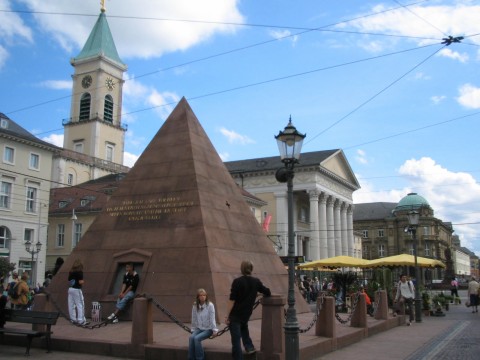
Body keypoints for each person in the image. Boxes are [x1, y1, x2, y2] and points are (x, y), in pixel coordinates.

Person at [226, 260, 271, 359]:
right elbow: (268, 292)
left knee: (236, 341)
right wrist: (258, 293)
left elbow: (232, 300)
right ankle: (249, 346)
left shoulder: (237, 281)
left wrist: (227, 316)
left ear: (241, 269)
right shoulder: (256, 282)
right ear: (251, 269)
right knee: (244, 327)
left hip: (235, 314)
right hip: (246, 313)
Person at [188, 288, 218, 360]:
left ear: (206, 296)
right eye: (201, 295)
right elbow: (194, 318)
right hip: (199, 328)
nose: (203, 297)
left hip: (208, 329)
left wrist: (214, 330)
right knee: (191, 338)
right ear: (198, 297)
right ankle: (191, 358)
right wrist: (193, 329)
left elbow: (212, 318)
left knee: (197, 339)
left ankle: (200, 358)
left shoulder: (210, 305)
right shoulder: (195, 305)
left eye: (204, 295)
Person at [68, 259, 88, 325]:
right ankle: (81, 320)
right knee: (80, 305)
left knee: (71, 305)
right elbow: (80, 282)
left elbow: (69, 281)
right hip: (77, 289)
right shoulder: (80, 272)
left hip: (70, 289)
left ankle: (73, 319)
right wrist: (83, 281)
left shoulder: (71, 272)